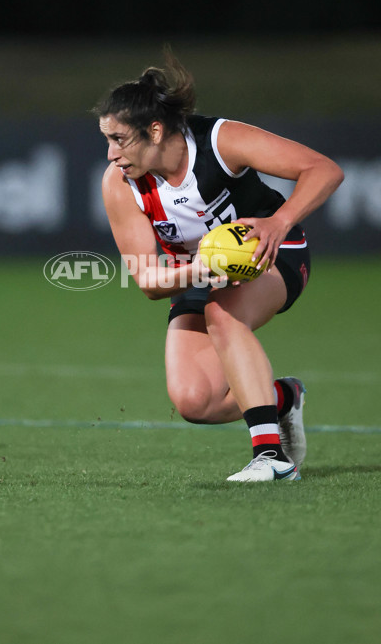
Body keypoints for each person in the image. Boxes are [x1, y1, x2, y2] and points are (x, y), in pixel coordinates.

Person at [95, 50, 344, 482]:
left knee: (222, 313)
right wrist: (203, 268)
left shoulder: (218, 140)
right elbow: (150, 282)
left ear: (154, 130)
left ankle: (271, 458)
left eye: (120, 139)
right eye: (107, 140)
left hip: (275, 251)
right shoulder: (119, 185)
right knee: (195, 401)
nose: (112, 153)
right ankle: (283, 397)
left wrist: (279, 221)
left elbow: (323, 170)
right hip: (199, 274)